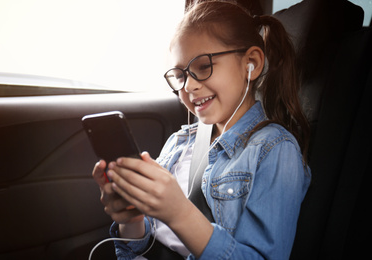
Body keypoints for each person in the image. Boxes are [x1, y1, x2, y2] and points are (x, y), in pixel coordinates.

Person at [92, 1, 311, 259]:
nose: (189, 86)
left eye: (204, 67)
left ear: (251, 63)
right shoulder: (179, 142)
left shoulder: (274, 149)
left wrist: (180, 213)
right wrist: (132, 218)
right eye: (180, 75)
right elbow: (143, 245)